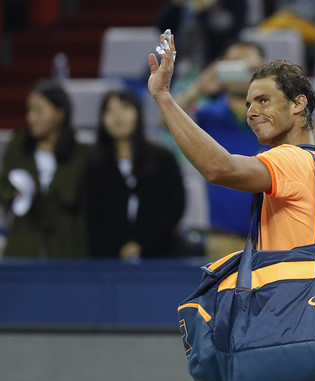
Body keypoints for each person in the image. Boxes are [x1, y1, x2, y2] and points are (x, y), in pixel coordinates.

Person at [148, 31, 315, 381]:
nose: (251, 112)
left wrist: (164, 97)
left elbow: (219, 168)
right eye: (247, 104)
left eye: (263, 100)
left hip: (295, 330)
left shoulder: (290, 158)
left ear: (298, 104)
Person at [176, 41, 269, 259]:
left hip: (273, 237)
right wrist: (199, 88)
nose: (242, 69)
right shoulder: (208, 113)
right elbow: (165, 120)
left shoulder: (274, 115)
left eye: (249, 64)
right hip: (221, 240)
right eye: (234, 63)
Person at [87, 89, 185, 260]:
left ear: (138, 113)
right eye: (109, 110)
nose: (118, 116)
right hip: (108, 263)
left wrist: (141, 244)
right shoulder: (95, 166)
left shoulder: (163, 159)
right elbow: (93, 219)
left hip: (160, 258)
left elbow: (175, 206)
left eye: (124, 108)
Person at [0, 80, 90, 258]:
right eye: (29, 111)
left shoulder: (82, 154)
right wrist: (14, 194)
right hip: (24, 246)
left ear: (60, 113)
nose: (31, 118)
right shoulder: (17, 147)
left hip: (68, 250)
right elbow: (3, 187)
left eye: (39, 111)